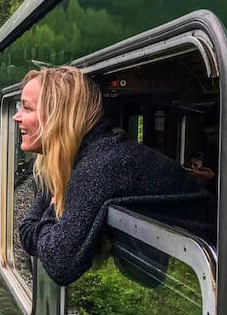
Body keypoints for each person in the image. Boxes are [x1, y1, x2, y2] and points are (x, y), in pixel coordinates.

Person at [15, 66, 216, 286]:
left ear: (58, 116)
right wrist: (53, 224)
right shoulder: (78, 158)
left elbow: (59, 263)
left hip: (220, 271)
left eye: (27, 108)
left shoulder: (101, 164)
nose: (17, 117)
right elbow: (26, 230)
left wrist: (53, 213)